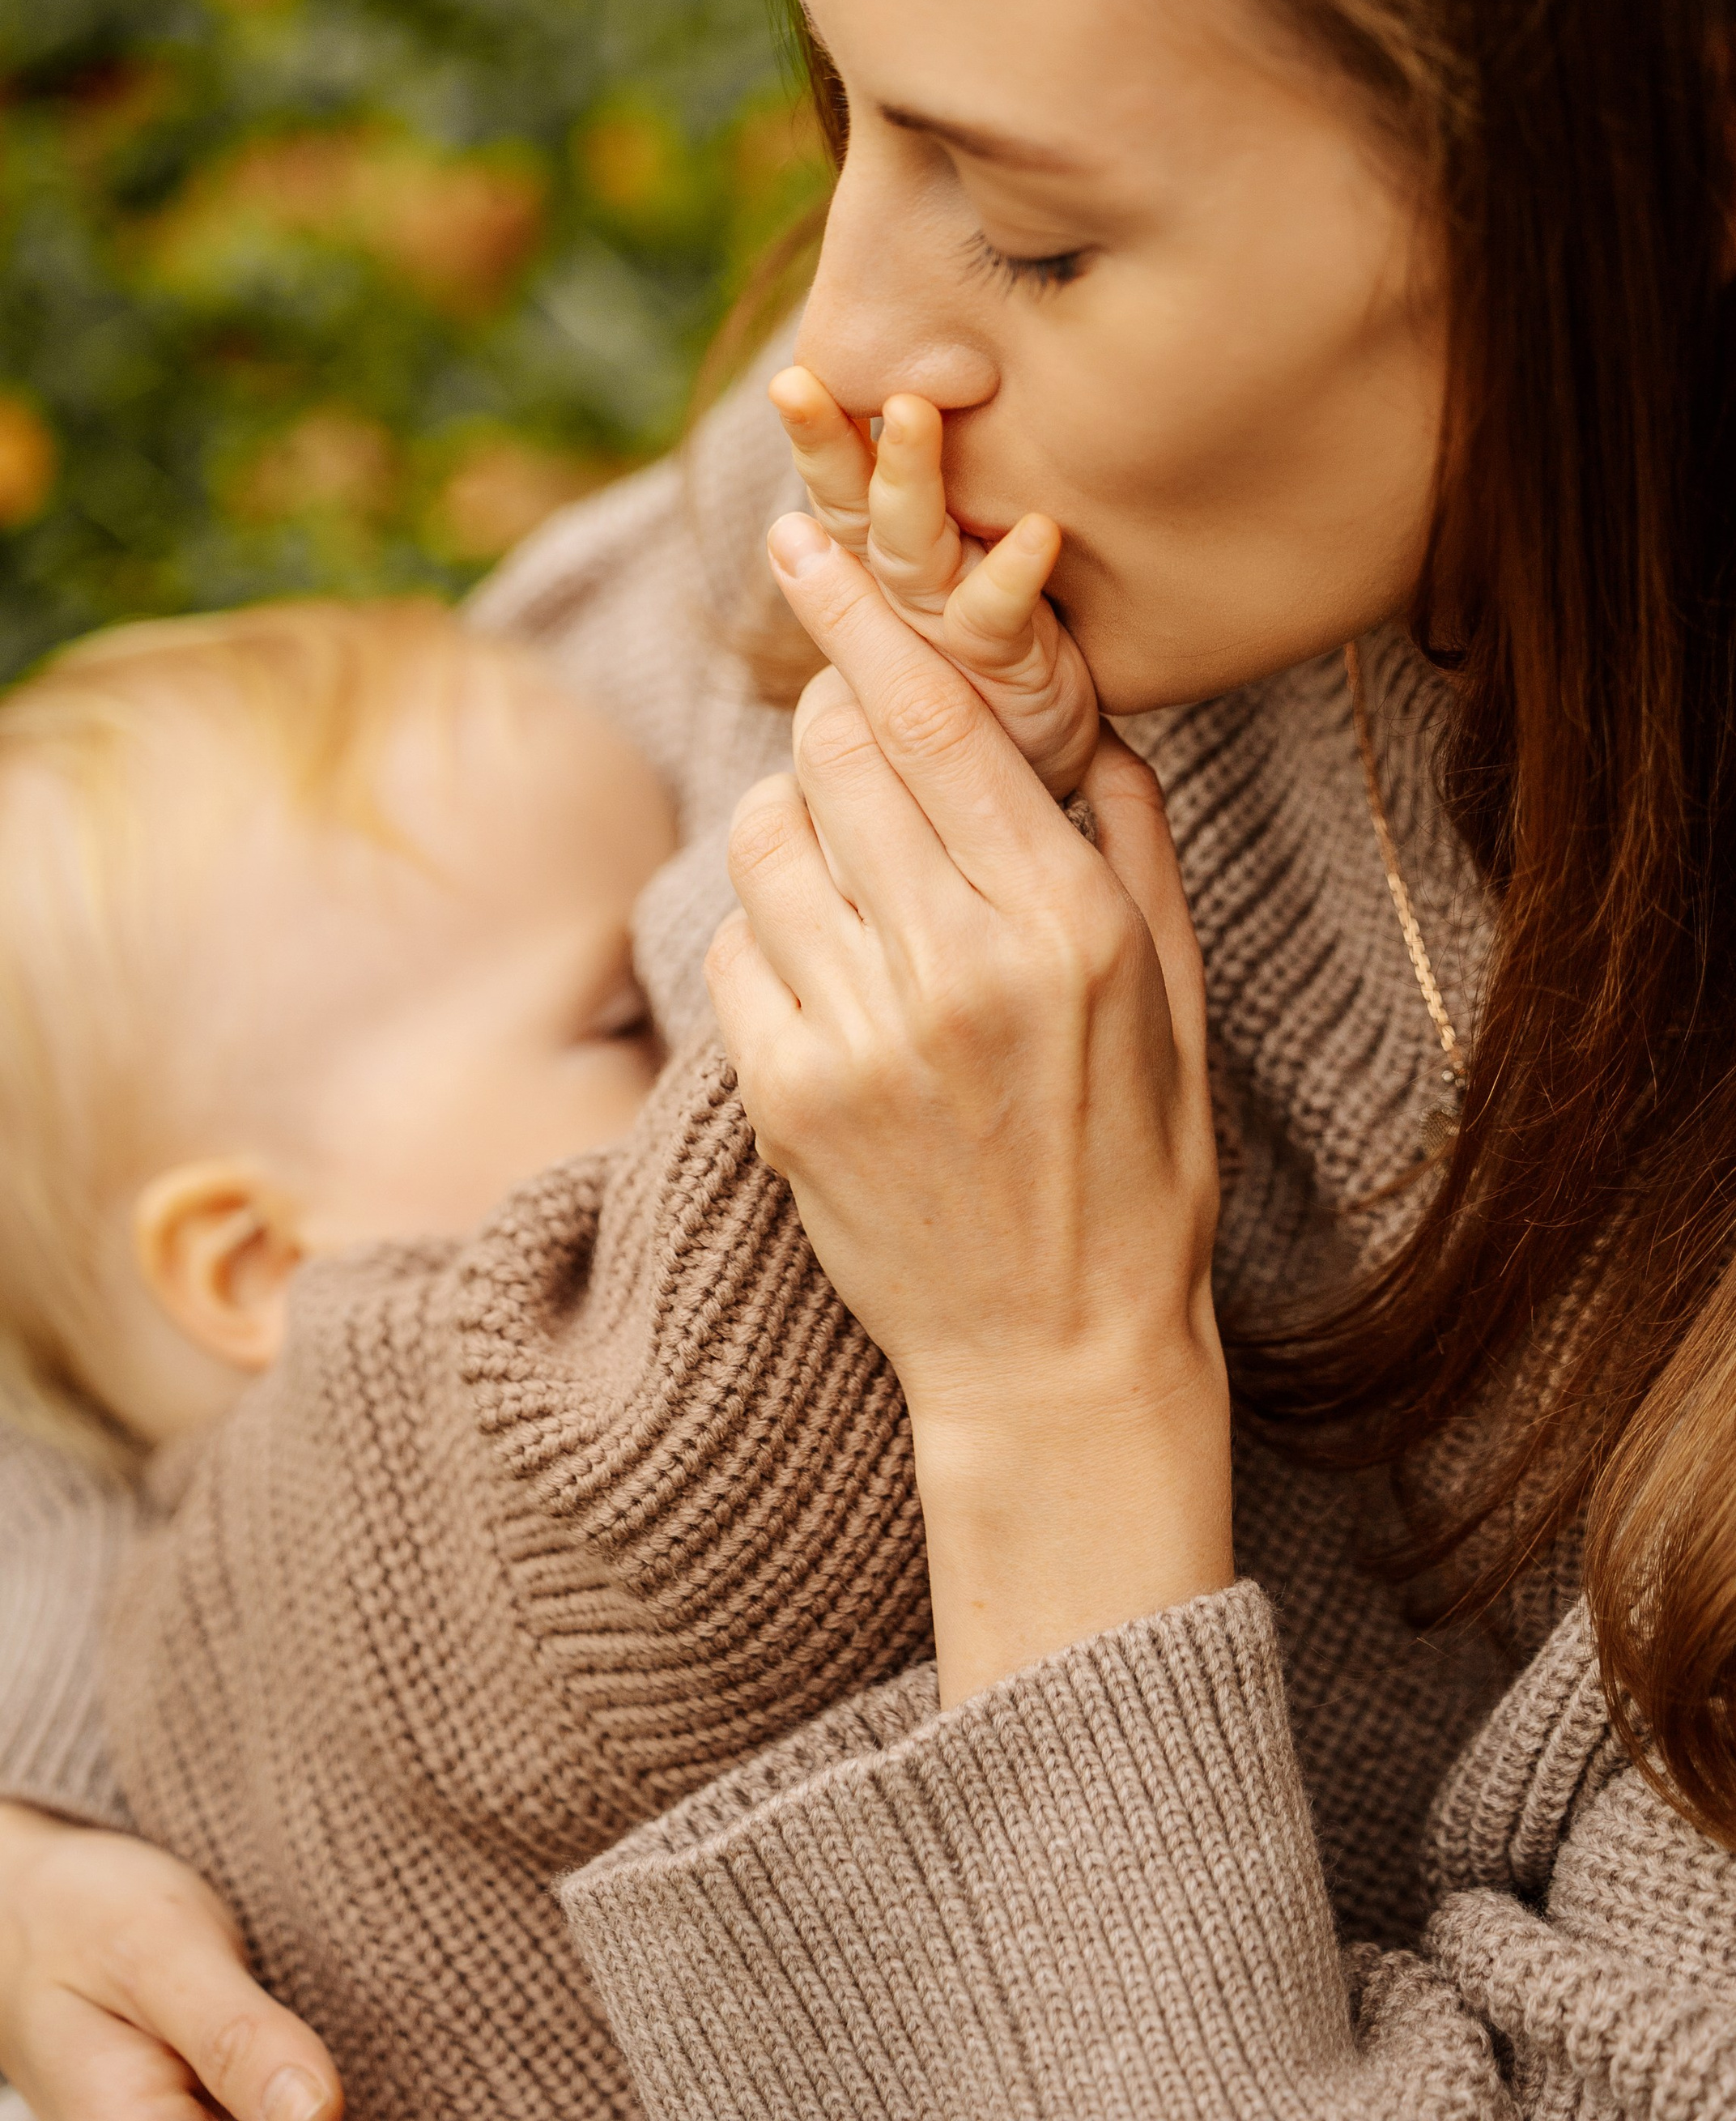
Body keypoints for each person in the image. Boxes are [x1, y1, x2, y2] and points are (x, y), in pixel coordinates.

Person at [3, 0, 1736, 2120]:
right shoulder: (1016, 501)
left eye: (1043, 229)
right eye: (849, 122)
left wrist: (1061, 1396)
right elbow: (132, 1074)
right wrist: (37, 1833)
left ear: (1685, 179)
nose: (832, 353)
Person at [0, 517, 1083, 2119]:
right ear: (254, 1267)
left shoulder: (169, 1607)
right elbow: (761, 1395)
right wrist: (969, 791)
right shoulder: (400, 1454)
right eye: (622, 1013)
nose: (720, 997)